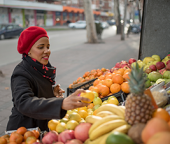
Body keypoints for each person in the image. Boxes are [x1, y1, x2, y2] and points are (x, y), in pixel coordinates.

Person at [6, 26, 90, 131]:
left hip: (41, 125)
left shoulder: (41, 67)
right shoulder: (21, 73)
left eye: (48, 46)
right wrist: (61, 104)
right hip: (24, 129)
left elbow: (37, 92)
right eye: (41, 47)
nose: (47, 51)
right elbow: (24, 102)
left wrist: (51, 93)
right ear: (28, 51)